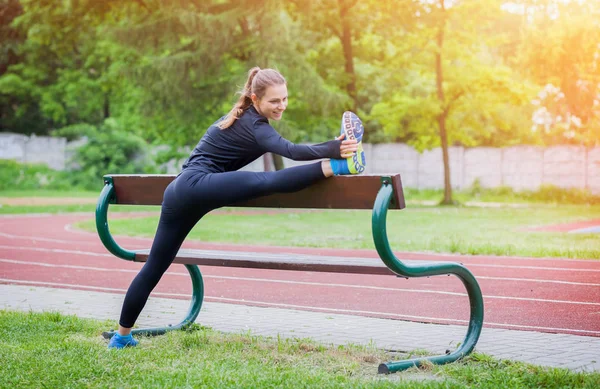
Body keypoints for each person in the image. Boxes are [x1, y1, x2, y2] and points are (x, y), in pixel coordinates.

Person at [108, 66, 366, 348]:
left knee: (155, 267)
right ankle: (339, 165)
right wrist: (335, 147)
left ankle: (121, 338)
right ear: (255, 99)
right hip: (196, 184)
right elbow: (291, 151)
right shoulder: (255, 125)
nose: (281, 106)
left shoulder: (245, 117)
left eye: (285, 99)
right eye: (274, 101)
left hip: (180, 191)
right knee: (265, 181)